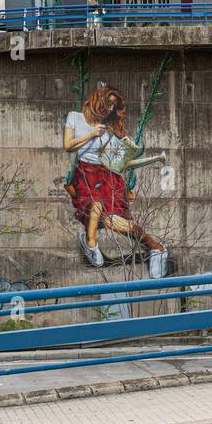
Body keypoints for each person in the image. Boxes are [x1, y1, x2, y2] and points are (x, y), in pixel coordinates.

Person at [63, 83, 171, 278]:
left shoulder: (109, 132)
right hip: (84, 173)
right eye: (109, 103)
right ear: (98, 100)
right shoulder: (75, 118)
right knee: (94, 205)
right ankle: (91, 243)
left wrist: (138, 156)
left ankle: (156, 247)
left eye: (114, 106)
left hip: (106, 175)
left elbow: (118, 163)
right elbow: (68, 146)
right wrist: (91, 134)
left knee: (115, 222)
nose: (110, 109)